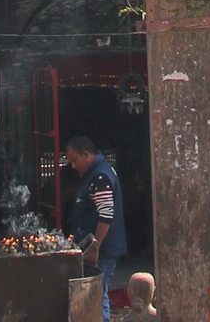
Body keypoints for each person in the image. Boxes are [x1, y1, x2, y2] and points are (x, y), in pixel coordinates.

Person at [65, 136, 127, 322]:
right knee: (100, 294)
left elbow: (106, 215)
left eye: (74, 160)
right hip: (99, 248)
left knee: (97, 296)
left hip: (103, 250)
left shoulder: (100, 177)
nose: (73, 166)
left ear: (86, 155)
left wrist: (96, 246)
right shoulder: (97, 174)